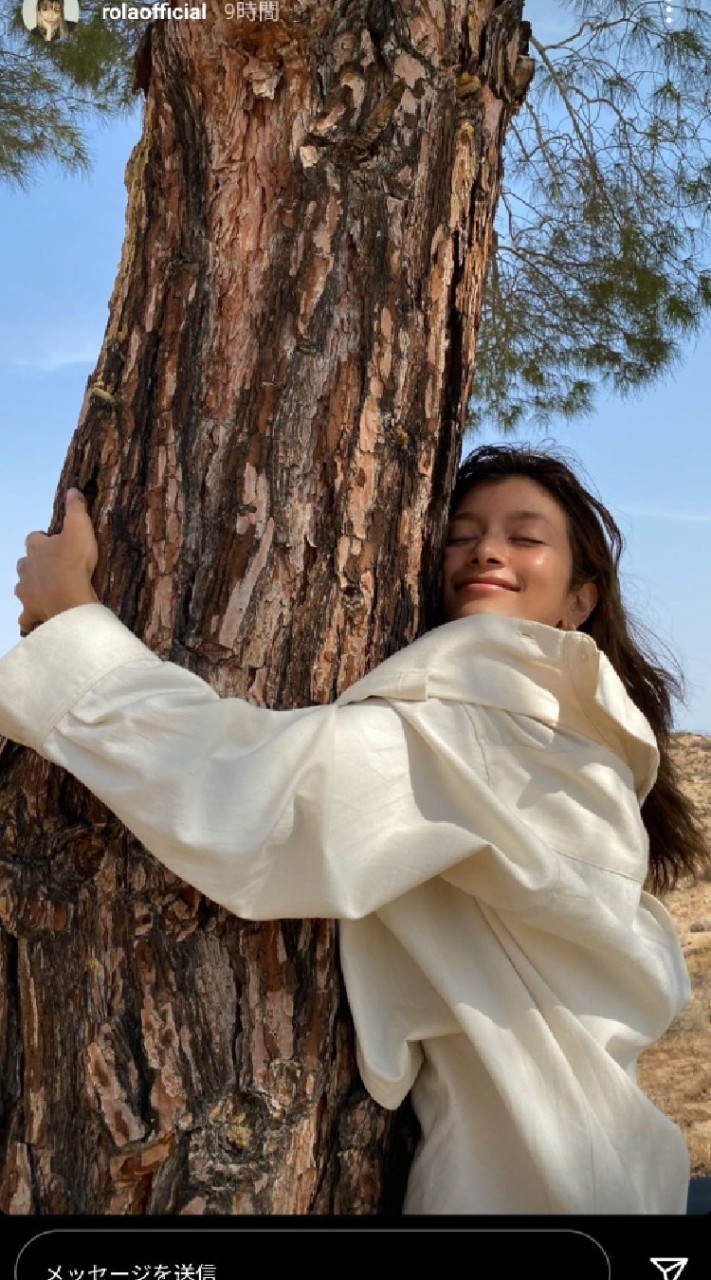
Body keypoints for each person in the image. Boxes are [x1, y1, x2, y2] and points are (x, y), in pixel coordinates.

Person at [0, 443, 706, 1215]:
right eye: (460, 534)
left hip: (544, 1182)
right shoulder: (563, 732)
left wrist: (74, 623)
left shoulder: (503, 725)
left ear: (579, 601)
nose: (485, 551)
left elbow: (264, 800)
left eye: (525, 535)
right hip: (592, 1167)